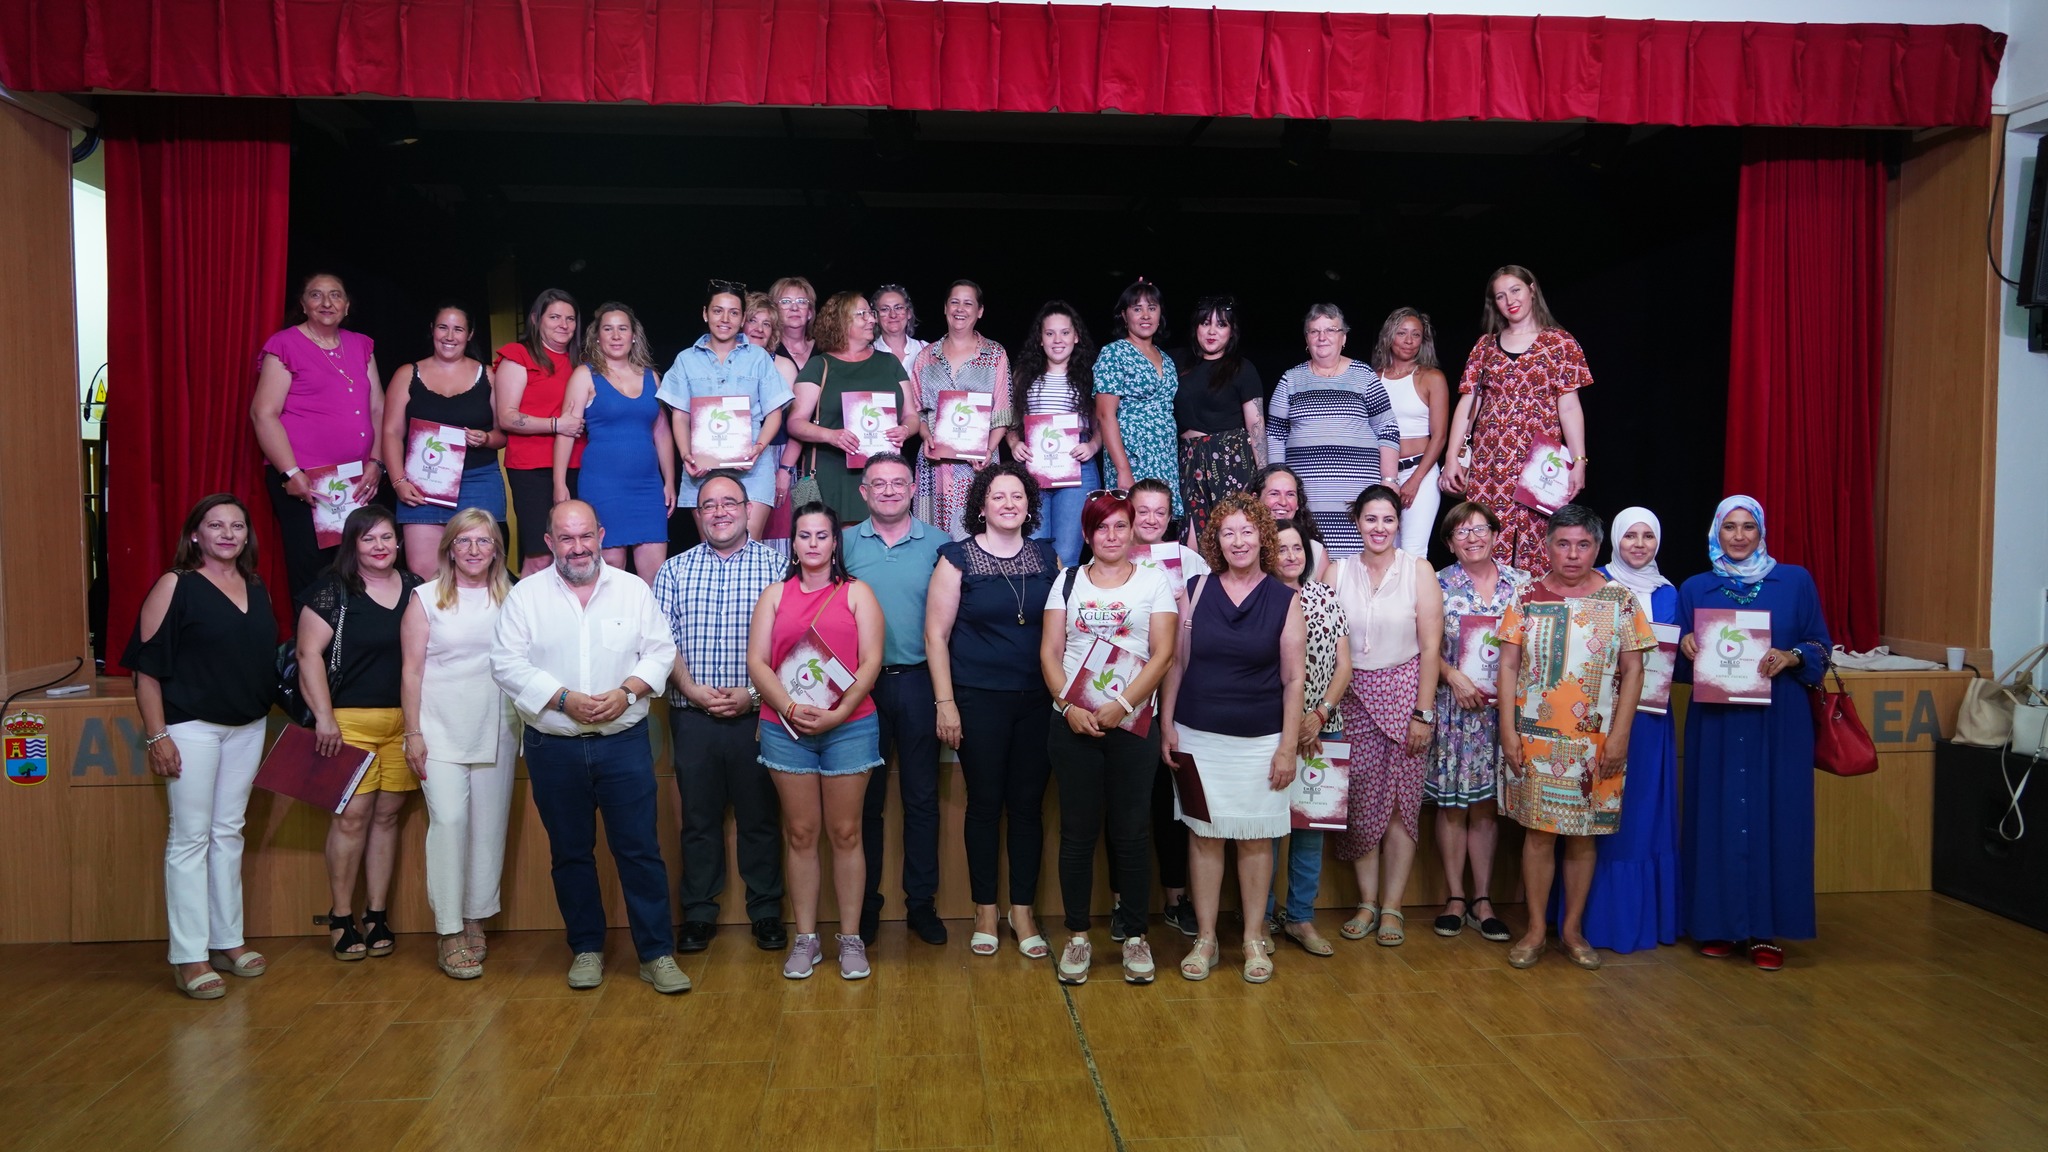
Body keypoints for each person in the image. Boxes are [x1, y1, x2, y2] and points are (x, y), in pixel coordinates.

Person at [490, 501, 687, 994]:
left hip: (623, 744)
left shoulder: (633, 590)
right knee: (571, 853)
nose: (577, 548)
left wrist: (627, 692)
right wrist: (562, 698)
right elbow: (505, 663)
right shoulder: (525, 597)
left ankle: (657, 954)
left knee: (640, 851)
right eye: (566, 538)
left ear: (600, 535)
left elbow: (661, 649)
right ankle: (586, 949)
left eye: (585, 537)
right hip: (552, 747)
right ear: (549, 542)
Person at [127, 495, 278, 999]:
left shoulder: (255, 586)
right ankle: (189, 956)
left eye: (237, 525)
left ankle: (227, 941)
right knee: (190, 838)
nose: (228, 534)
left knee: (228, 833)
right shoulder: (177, 585)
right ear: (196, 534)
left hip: (247, 726)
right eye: (216, 525)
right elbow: (146, 668)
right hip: (189, 727)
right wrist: (157, 734)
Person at [1496, 504, 1653, 970]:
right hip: (1534, 739)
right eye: (1562, 544)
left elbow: (1634, 668)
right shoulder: (1525, 596)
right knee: (1539, 835)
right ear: (1547, 546)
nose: (1572, 554)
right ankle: (1537, 930)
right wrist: (1507, 729)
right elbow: (1506, 665)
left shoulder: (1620, 600)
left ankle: (1572, 930)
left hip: (1598, 743)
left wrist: (1621, 733)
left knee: (1584, 837)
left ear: (1596, 548)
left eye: (1583, 545)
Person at [1676, 496, 1831, 972]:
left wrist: (1793, 656)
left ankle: (1766, 930)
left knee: (1776, 816)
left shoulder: (1795, 581)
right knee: (1716, 815)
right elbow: (1677, 667)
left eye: (1748, 527)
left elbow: (1820, 645)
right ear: (1715, 533)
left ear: (1761, 531)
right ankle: (1717, 925)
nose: (1739, 536)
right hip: (1718, 721)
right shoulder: (1696, 588)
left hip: (1778, 719)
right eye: (1729, 528)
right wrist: (1684, 647)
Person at [1160, 494, 1305, 983]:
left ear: (1262, 535)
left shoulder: (1286, 599)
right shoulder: (1196, 589)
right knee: (1204, 839)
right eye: (1228, 532)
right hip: (1199, 736)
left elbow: (1293, 681)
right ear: (1216, 542)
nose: (1239, 541)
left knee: (1255, 841)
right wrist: (1167, 724)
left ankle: (1251, 938)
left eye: (1247, 531)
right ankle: (1205, 938)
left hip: (1263, 740)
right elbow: (1177, 663)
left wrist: (1287, 745)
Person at [1041, 490, 1179, 985]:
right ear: (1087, 535)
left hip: (1133, 726)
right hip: (1073, 725)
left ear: (1133, 530)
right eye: (1103, 528)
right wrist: (1068, 706)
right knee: (1077, 835)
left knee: (1131, 834)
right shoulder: (1067, 581)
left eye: (1121, 526)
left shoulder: (1154, 582)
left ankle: (1136, 936)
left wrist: (1121, 707)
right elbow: (1050, 653)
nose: (1113, 536)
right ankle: (1077, 937)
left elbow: (1162, 654)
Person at [925, 462, 1059, 958]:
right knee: (983, 805)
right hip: (977, 699)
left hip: (1038, 701)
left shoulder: (1048, 558)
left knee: (1026, 808)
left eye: (1018, 496)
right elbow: (935, 637)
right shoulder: (956, 558)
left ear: (1029, 505)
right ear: (981, 506)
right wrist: (946, 703)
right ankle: (985, 910)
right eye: (998, 497)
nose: (1008, 504)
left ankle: (1021, 911)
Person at [748, 502, 887, 980]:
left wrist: (841, 712)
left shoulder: (856, 594)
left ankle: (850, 939)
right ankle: (806, 939)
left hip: (850, 725)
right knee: (801, 833)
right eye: (803, 535)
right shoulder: (774, 596)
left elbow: (871, 660)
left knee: (846, 833)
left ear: (834, 543)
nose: (812, 543)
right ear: (793, 542)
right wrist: (788, 707)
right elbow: (758, 663)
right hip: (785, 727)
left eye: (821, 535)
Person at [652, 470, 788, 954]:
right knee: (698, 820)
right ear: (698, 514)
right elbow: (659, 642)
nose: (719, 512)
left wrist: (752, 694)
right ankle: (699, 913)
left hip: (759, 716)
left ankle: (767, 911)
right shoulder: (674, 569)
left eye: (729, 502)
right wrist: (690, 687)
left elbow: (791, 646)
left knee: (760, 818)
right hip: (693, 717)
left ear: (748, 509)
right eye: (709, 505)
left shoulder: (777, 569)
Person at [294, 506, 423, 962]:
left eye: (387, 537)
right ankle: (342, 917)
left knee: (387, 818)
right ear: (352, 544)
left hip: (403, 724)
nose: (380, 546)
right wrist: (324, 718)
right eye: (369, 539)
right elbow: (308, 654)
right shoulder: (333, 591)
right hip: (348, 723)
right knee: (351, 819)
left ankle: (377, 914)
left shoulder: (416, 590)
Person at [398, 511, 518, 979]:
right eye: (464, 541)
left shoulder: (515, 595)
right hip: (438, 729)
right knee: (448, 822)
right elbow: (410, 671)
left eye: (483, 542)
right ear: (449, 547)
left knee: (489, 828)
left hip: (499, 725)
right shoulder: (425, 598)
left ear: (496, 549)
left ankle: (474, 918)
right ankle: (448, 930)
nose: (473, 550)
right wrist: (412, 732)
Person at [841, 453, 949, 945]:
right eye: (877, 484)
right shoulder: (841, 544)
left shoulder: (941, 546)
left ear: (913, 489)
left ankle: (921, 904)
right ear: (863, 492)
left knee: (923, 799)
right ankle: (863, 906)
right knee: (865, 802)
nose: (888, 491)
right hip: (859, 688)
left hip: (920, 683)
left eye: (898, 483)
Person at [1330, 485, 1442, 946]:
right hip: (1351, 699)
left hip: (1406, 696)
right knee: (1358, 805)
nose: (1379, 528)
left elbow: (1433, 647)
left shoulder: (1419, 570)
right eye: (1371, 519)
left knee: (1400, 807)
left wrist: (1423, 712)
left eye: (1388, 520)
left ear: (1399, 524)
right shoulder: (1336, 570)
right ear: (1357, 521)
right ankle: (1367, 902)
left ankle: (1393, 907)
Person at [1438, 265, 1592, 577]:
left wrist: (1579, 460)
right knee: (1482, 532)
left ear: (1532, 289)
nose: (1510, 300)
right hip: (1489, 463)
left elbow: (1570, 407)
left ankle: (1531, 620)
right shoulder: (1484, 346)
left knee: (1537, 540)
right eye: (1500, 296)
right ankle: (1484, 615)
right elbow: (1468, 403)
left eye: (1515, 290)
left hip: (1541, 464)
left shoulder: (1560, 343)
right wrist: (1452, 457)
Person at [1426, 501, 1527, 942]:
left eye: (1479, 528)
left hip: (1503, 714)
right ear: (1449, 542)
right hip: (1455, 708)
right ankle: (1454, 896)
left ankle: (1483, 899)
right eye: (1461, 532)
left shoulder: (1521, 585)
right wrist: (1451, 676)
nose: (1472, 537)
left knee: (1486, 806)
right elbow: (1423, 646)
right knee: (1452, 803)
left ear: (1494, 533)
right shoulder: (1436, 584)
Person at [1581, 507, 1680, 954]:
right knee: (1594, 819)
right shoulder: (1595, 583)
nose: (1639, 544)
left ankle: (1639, 921)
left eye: (1648, 536)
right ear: (1615, 541)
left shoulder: (1670, 594)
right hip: (1596, 718)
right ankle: (1588, 922)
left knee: (1640, 816)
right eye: (1630, 536)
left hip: (1650, 721)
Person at [250, 272, 386, 595]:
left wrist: (377, 463)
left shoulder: (361, 345)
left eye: (335, 295)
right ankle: (312, 645)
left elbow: (378, 409)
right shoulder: (284, 345)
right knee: (312, 569)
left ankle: (349, 642)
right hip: (306, 482)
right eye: (316, 295)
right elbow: (263, 414)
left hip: (356, 479)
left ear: (347, 305)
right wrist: (290, 472)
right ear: (303, 304)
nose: (327, 302)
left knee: (357, 565)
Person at [1264, 516, 1350, 956]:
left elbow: (1344, 666)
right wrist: (1291, 726)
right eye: (1281, 549)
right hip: (1270, 730)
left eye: (1297, 548)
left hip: (1323, 728)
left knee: (1309, 829)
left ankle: (1300, 918)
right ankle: (1260, 919)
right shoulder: (1260, 597)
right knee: (1266, 827)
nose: (1291, 556)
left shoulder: (1324, 596)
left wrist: (1319, 714)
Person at [1128, 474, 1207, 935]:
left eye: (1161, 511)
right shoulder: (1110, 557)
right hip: (1128, 694)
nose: (1153, 520)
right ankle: (1128, 903)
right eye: (1144, 511)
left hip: (1184, 696)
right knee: (1135, 804)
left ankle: (1178, 896)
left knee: (1179, 801)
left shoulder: (1191, 561)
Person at [1265, 304, 1401, 559]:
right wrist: (1277, 487)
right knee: (1311, 563)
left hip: (1357, 497)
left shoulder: (1365, 377)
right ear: (1306, 339)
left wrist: (1389, 482)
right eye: (1314, 331)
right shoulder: (1290, 379)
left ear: (1344, 337)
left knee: (1357, 569)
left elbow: (1388, 428)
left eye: (1330, 330)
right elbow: (1275, 435)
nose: (1322, 337)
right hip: (1308, 500)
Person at [660, 281, 793, 543]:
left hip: (753, 469)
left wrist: (759, 446)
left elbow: (774, 412)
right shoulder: (686, 359)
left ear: (742, 318)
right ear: (705, 313)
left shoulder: (758, 358)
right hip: (701, 469)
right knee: (714, 550)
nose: (725, 319)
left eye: (733, 313)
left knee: (748, 549)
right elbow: (680, 415)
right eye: (718, 311)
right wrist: (686, 454)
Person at [382, 305, 507, 578]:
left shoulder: (489, 376)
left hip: (478, 479)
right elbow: (391, 432)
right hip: (423, 483)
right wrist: (398, 481)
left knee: (481, 570)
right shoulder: (407, 374)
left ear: (470, 334)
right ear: (432, 330)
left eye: (458, 329)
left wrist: (485, 438)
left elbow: (502, 434)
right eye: (443, 327)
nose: (450, 336)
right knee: (425, 570)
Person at [556, 303, 674, 582]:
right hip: (603, 486)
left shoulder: (651, 376)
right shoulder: (585, 375)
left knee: (655, 576)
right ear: (597, 336)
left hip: (647, 487)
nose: (616, 335)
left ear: (634, 335)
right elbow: (567, 430)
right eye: (608, 329)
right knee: (610, 572)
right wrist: (559, 483)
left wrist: (669, 481)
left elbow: (662, 432)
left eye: (623, 328)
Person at [786, 292, 920, 527]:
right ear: (841, 321)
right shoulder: (820, 365)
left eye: (870, 313)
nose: (872, 320)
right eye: (862, 314)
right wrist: (831, 435)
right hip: (832, 474)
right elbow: (795, 422)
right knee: (835, 549)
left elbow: (911, 415)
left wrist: (906, 430)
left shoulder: (889, 363)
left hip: (882, 477)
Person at [910, 280, 1012, 537]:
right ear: (945, 308)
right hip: (934, 464)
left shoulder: (994, 354)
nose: (960, 309)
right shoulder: (926, 356)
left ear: (979, 311)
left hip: (976, 465)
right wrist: (925, 435)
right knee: (932, 539)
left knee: (976, 537)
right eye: (954, 302)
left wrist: (988, 450)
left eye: (968, 303)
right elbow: (917, 411)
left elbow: (1002, 412)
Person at [493, 289, 584, 576]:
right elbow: (507, 417)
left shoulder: (582, 361)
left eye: (570, 319)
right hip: (532, 468)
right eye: (555, 317)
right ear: (536, 319)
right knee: (540, 555)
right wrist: (556, 424)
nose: (563, 325)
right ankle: (523, 619)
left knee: (574, 553)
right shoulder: (518, 355)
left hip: (579, 465)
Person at [1008, 301, 1102, 566]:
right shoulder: (1024, 375)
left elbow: (1102, 424)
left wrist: (1093, 447)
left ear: (1076, 336)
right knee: (1034, 551)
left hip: (1077, 466)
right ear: (1040, 339)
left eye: (1064, 332)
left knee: (1068, 554)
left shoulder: (1089, 376)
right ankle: (1039, 608)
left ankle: (1062, 608)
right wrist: (1015, 444)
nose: (1057, 340)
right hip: (1035, 465)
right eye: (1050, 333)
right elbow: (1011, 423)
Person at [1174, 295, 1266, 543]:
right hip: (1190, 460)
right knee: (1191, 542)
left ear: (1232, 331)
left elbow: (1255, 426)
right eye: (1205, 323)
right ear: (1196, 328)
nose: (1212, 331)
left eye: (1221, 324)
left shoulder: (1242, 368)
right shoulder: (1177, 362)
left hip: (1231, 460)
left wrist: (1264, 478)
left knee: (1232, 535)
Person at [1095, 279, 1183, 517]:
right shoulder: (1114, 353)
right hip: (1131, 458)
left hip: (1163, 458)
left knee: (1159, 528)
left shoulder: (1166, 358)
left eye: (1152, 308)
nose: (1145, 315)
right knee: (1132, 524)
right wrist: (1123, 469)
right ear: (1124, 316)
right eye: (1137, 309)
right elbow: (1105, 415)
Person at [1371, 309, 1448, 558]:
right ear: (1389, 336)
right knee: (1383, 551)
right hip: (1382, 474)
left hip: (1420, 472)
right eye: (1402, 333)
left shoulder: (1431, 377)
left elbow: (1439, 436)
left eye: (1416, 335)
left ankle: (1419, 599)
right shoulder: (1373, 379)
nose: (1408, 340)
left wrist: (1414, 481)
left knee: (1413, 552)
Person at [767, 277, 820, 552]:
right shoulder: (767, 352)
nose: (795, 308)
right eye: (785, 302)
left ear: (811, 311)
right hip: (779, 454)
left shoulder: (826, 349)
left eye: (802, 302)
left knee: (817, 533)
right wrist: (784, 468)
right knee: (782, 536)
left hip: (821, 457)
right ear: (773, 309)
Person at [1251, 464, 1327, 581]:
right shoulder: (1244, 547)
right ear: (1255, 499)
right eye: (1274, 493)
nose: (1283, 502)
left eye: (1290, 494)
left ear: (1298, 503)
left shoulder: (1316, 552)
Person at [873, 284, 929, 387]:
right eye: (885, 309)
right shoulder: (868, 354)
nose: (893, 315)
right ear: (875, 316)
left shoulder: (926, 350)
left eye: (898, 308)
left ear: (908, 313)